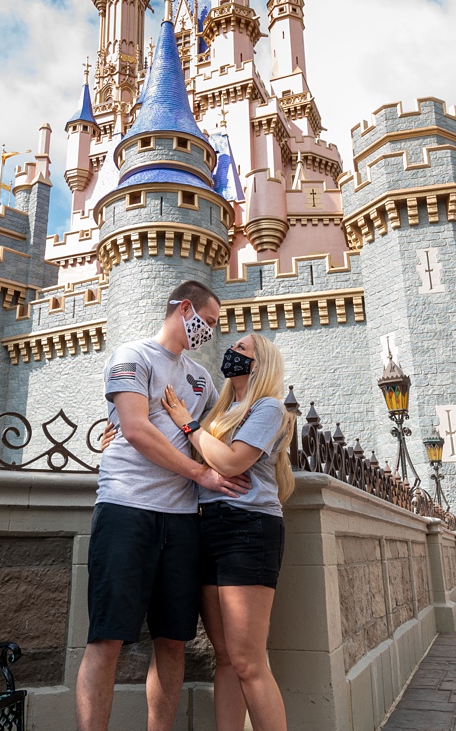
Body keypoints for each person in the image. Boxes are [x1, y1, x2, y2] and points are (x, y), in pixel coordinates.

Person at [75, 281, 251, 731]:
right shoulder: (131, 357)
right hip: (126, 511)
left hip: (182, 523)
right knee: (107, 640)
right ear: (185, 308)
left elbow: (216, 436)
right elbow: (134, 429)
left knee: (173, 642)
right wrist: (201, 474)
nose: (209, 331)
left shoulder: (200, 378)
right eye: (207, 322)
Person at [160, 333, 296, 731]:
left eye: (242, 349)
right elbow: (194, 454)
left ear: (260, 363)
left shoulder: (269, 407)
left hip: (248, 530)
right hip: (207, 525)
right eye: (233, 346)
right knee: (224, 658)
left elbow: (232, 462)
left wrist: (187, 423)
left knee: (248, 661)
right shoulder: (223, 410)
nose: (231, 352)